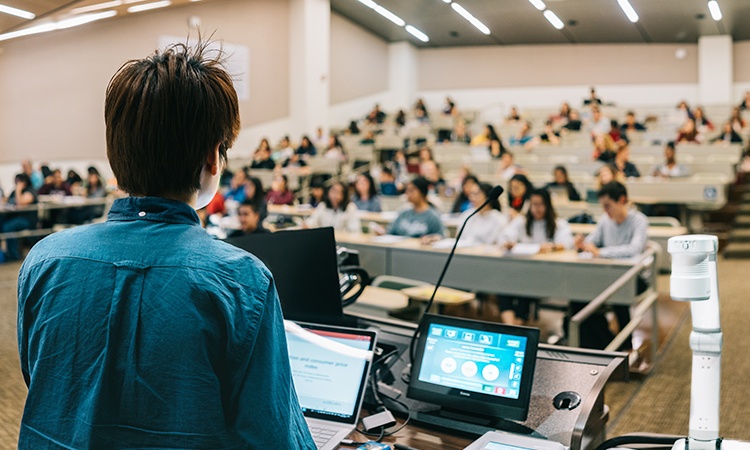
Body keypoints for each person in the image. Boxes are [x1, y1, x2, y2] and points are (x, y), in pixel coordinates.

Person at [16, 42, 313, 448]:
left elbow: (45, 382)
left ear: (114, 154)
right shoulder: (242, 282)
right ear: (214, 157)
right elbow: (272, 436)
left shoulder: (44, 262)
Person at [574, 181, 648, 350]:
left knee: (619, 294)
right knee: (578, 295)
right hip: (608, 276)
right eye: (603, 207)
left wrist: (601, 252)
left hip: (634, 277)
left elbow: (634, 249)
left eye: (608, 206)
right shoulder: (605, 221)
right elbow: (592, 242)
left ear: (622, 200)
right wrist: (582, 244)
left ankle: (625, 346)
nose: (605, 211)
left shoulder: (639, 221)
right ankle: (598, 342)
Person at [499, 188, 574, 325]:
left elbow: (568, 242)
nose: (536, 209)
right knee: (503, 285)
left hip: (546, 275)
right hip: (521, 272)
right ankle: (511, 326)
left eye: (540, 204)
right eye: (533, 204)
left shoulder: (558, 224)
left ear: (547, 205)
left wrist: (552, 246)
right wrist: (508, 243)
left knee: (524, 284)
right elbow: (504, 237)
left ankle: (517, 326)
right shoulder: (521, 222)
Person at [2, 173, 38, 262]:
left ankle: (14, 256)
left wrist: (19, 189)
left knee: (8, 227)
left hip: (27, 220)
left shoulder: (30, 191)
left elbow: (20, 203)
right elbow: (8, 201)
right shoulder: (14, 192)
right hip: (14, 217)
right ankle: (6, 253)